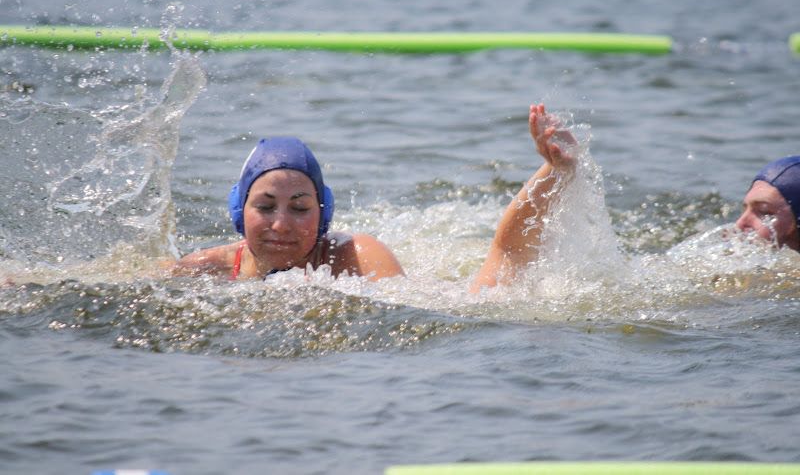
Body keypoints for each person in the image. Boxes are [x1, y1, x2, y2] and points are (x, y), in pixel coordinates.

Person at [470, 103, 800, 293]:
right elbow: (508, 257)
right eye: (745, 208)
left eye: (763, 212)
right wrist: (558, 171)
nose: (740, 224)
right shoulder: (705, 272)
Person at [172, 136, 404, 281]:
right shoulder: (206, 268)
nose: (281, 225)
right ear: (239, 211)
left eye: (300, 208)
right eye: (265, 206)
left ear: (324, 215)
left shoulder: (357, 256)